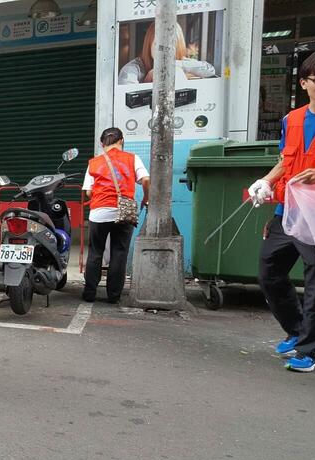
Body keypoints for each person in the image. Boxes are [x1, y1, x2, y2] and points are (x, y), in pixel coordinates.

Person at [247, 50, 315, 372]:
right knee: (269, 270)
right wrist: (265, 181)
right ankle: (295, 330)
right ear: (304, 82)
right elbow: (286, 160)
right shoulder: (291, 120)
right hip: (289, 210)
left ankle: (311, 350)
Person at [81, 127, 150, 304]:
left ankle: (89, 294)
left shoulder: (94, 163)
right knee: (119, 253)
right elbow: (146, 180)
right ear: (121, 141)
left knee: (95, 252)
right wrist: (146, 198)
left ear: (102, 144)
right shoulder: (132, 158)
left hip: (99, 212)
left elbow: (88, 192)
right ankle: (113, 296)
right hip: (123, 211)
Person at [117, 22, 216, 85]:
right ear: (149, 44)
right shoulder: (132, 69)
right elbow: (126, 96)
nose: (163, 51)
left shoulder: (178, 62)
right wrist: (148, 79)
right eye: (158, 45)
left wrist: (174, 64)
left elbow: (210, 70)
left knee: (175, 71)